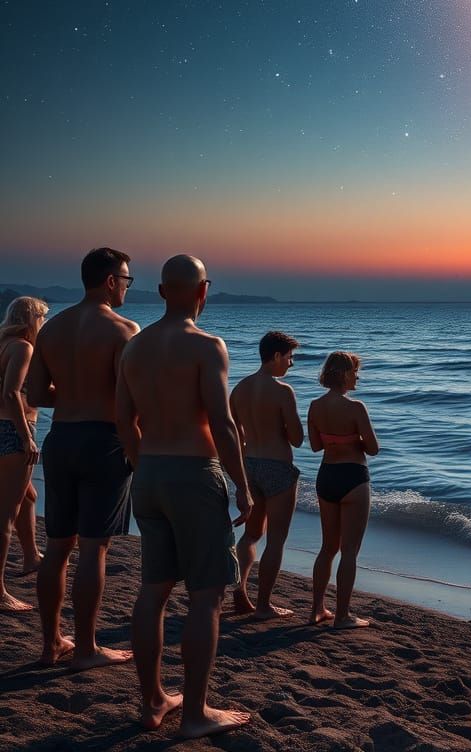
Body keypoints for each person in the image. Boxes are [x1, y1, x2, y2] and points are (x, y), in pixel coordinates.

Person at [116, 255, 252, 737]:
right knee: (207, 596)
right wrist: (242, 485)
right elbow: (222, 421)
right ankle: (195, 712)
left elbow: (123, 420)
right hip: (194, 473)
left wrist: (141, 465)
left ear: (159, 291)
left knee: (153, 590)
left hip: (149, 472)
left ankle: (154, 699)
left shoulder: (134, 347)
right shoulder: (207, 345)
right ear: (203, 291)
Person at [26, 248, 138, 669]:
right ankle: (88, 647)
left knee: (57, 548)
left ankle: (51, 642)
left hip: (61, 440)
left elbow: (35, 395)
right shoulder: (123, 329)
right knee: (94, 550)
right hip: (103, 441)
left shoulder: (51, 330)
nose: (128, 286)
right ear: (110, 280)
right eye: (126, 279)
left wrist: (73, 394)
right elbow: (131, 401)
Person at [231, 330, 303, 619]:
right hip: (277, 468)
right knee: (275, 539)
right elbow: (297, 439)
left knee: (250, 535)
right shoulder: (282, 391)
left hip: (249, 465)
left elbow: (234, 435)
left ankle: (240, 592)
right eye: (289, 357)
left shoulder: (239, 389)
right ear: (275, 356)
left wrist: (238, 479)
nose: (291, 364)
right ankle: (263, 605)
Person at [307, 351, 379, 628]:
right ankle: (342, 615)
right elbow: (373, 448)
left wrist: (337, 441)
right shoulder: (356, 408)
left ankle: (316, 609)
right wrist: (354, 442)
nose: (357, 377)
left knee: (327, 547)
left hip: (326, 476)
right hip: (353, 478)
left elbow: (315, 446)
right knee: (349, 551)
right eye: (355, 372)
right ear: (345, 374)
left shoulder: (314, 406)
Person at [0, 296, 48, 610]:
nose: (43, 324)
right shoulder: (23, 347)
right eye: (42, 318)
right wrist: (25, 437)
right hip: (12, 431)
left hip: (1, 427)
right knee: (5, 515)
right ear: (31, 319)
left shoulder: (4, 344)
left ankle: (31, 557)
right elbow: (11, 391)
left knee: (27, 496)